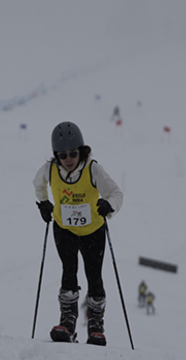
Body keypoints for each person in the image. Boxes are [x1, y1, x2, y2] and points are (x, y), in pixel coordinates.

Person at [33, 121, 123, 346]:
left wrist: (109, 206)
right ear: (56, 156)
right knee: (69, 271)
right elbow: (38, 183)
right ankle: (68, 321)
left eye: (73, 153)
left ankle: (95, 324)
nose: (69, 159)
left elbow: (116, 193)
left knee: (94, 275)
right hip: (64, 230)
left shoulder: (93, 169)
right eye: (63, 155)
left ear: (81, 151)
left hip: (93, 231)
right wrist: (44, 203)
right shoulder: (50, 169)